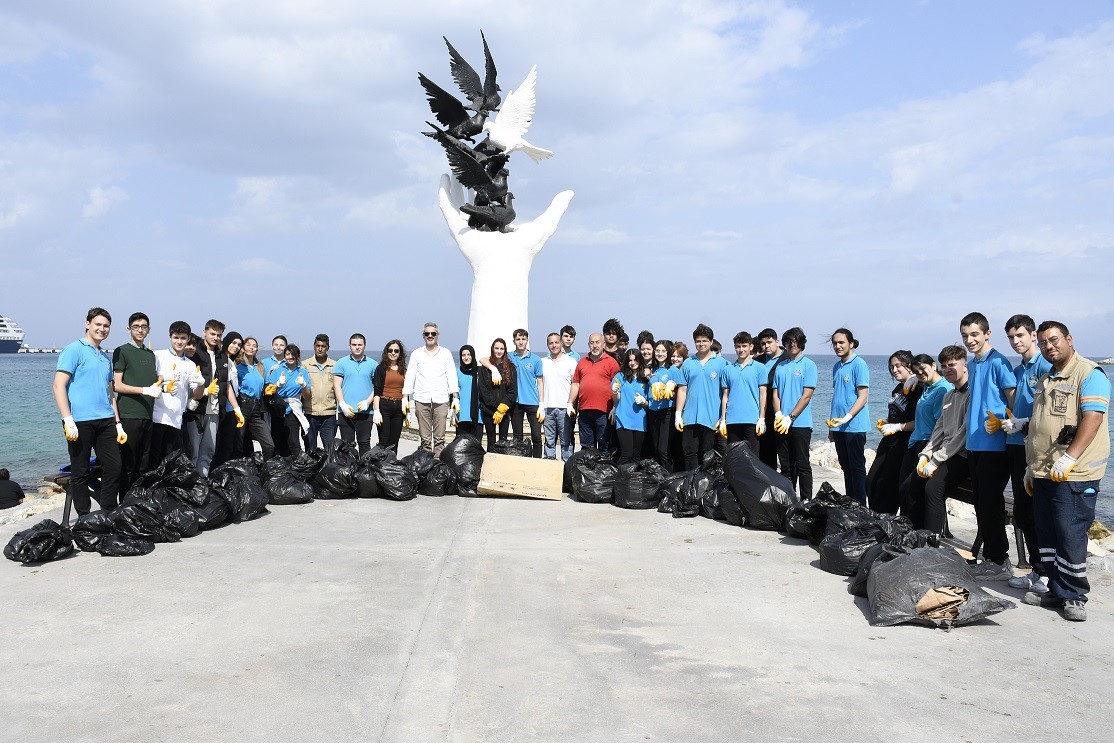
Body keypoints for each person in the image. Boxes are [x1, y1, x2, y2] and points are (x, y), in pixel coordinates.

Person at [1021, 321, 1110, 622]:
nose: (1049, 346)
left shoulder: (1089, 373)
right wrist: (1031, 467)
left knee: (1070, 533)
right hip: (1045, 471)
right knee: (1048, 534)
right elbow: (1039, 427)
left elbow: (1093, 419)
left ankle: (1074, 596)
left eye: (1054, 340)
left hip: (1075, 473)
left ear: (1069, 339)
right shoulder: (1048, 379)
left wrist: (1069, 458)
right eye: (1044, 342)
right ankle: (1056, 589)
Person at [960, 311, 1018, 580]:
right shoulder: (972, 364)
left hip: (994, 446)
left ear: (987, 333)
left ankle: (999, 559)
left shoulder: (999, 362)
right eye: (965, 336)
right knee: (981, 502)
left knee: (991, 503)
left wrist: (1010, 421)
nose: (970, 340)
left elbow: (1013, 397)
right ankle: (991, 557)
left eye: (974, 334)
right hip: (974, 443)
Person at [53, 307, 124, 515]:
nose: (102, 329)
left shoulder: (104, 357)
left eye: (106, 326)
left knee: (114, 467)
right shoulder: (74, 349)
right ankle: (84, 516)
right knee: (80, 471)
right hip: (80, 421)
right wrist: (68, 419)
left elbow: (110, 393)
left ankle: (108, 510)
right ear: (88, 324)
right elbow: (58, 385)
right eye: (98, 324)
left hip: (106, 421)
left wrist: (118, 423)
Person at [1001, 314, 1053, 594]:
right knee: (1022, 510)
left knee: (1037, 511)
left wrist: (1025, 423)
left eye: (1020, 335)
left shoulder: (1045, 365)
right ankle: (1036, 569)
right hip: (1015, 446)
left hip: (1035, 450)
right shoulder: (1019, 369)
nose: (1015, 341)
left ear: (1033, 335)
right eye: (1011, 337)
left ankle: (1047, 573)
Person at [901, 346, 970, 533]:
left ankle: (931, 542)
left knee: (932, 489)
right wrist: (926, 455)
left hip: (962, 455)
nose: (948, 369)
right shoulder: (949, 396)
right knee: (909, 486)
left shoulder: (971, 394)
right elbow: (938, 430)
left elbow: (963, 434)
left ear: (965, 365)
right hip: (943, 453)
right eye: (944, 366)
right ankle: (914, 536)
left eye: (952, 365)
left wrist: (936, 460)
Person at [865, 350, 921, 514]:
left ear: (909, 366)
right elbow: (897, 413)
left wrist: (896, 427)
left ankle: (887, 520)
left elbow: (920, 422)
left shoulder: (918, 388)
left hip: (904, 443)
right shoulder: (898, 388)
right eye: (892, 367)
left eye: (898, 366)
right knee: (871, 481)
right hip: (889, 441)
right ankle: (875, 518)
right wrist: (888, 423)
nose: (894, 370)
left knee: (887, 484)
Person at [896, 353, 952, 516]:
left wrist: (930, 454)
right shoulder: (927, 386)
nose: (921, 373)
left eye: (923, 369)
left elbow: (940, 424)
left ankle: (916, 532)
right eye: (916, 371)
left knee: (911, 490)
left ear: (934, 366)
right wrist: (914, 377)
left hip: (928, 444)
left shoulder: (943, 389)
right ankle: (906, 529)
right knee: (903, 488)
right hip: (915, 442)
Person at [111, 312, 158, 491]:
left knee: (143, 464)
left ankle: (138, 501)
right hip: (129, 415)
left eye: (144, 327)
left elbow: (150, 380)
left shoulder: (150, 354)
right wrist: (144, 390)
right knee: (128, 464)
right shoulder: (122, 351)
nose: (140, 330)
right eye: (136, 326)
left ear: (149, 330)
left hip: (148, 415)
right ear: (129, 328)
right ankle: (124, 502)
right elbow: (117, 385)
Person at [149, 321, 205, 468]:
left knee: (170, 462)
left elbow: (197, 395)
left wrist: (201, 383)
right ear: (170, 337)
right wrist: (163, 387)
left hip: (176, 419)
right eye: (176, 337)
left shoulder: (190, 364)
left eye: (183, 338)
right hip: (157, 417)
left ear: (187, 339)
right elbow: (149, 383)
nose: (179, 341)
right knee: (153, 460)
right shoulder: (157, 356)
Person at [675, 324, 729, 470]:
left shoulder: (722, 363)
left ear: (711, 342)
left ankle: (706, 487)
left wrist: (723, 418)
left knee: (708, 455)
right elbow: (682, 390)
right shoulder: (688, 363)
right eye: (698, 341)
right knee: (689, 453)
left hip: (711, 417)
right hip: (690, 417)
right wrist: (678, 414)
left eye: (704, 341)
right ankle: (691, 486)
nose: (701, 344)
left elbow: (727, 391)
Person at [826, 328, 870, 504]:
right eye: (835, 343)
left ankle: (860, 505)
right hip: (838, 427)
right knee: (846, 467)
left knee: (857, 467)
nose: (837, 346)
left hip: (855, 426)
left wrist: (847, 417)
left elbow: (863, 396)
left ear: (851, 343)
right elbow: (837, 397)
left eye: (841, 342)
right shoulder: (837, 366)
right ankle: (850, 504)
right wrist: (832, 426)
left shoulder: (859, 364)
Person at [771, 327, 816, 499]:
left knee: (802, 464)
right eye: (789, 342)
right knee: (786, 466)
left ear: (802, 343)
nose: (792, 345)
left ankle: (806, 501)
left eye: (796, 342)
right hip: (781, 423)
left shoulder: (808, 365)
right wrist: (779, 414)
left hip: (801, 423)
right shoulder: (781, 366)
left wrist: (791, 417)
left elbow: (807, 395)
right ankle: (788, 499)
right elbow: (775, 393)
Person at [402, 322, 459, 456]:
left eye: (433, 333)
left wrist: (455, 397)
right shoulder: (416, 354)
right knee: (425, 440)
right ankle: (426, 467)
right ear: (423, 336)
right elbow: (410, 375)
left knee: (440, 440)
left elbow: (451, 375)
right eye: (427, 333)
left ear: (438, 335)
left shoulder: (446, 353)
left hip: (441, 400)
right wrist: (405, 397)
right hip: (421, 399)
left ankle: (438, 469)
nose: (430, 336)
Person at [190, 319, 234, 477]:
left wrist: (236, 409)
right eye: (212, 334)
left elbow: (227, 384)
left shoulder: (222, 356)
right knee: (193, 451)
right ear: (204, 332)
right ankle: (190, 485)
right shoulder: (195, 352)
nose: (215, 337)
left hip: (215, 410)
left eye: (219, 335)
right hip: (196, 410)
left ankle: (202, 483)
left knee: (208, 451)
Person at [568, 332, 620, 454]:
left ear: (603, 344)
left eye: (597, 342)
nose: (595, 345)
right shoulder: (582, 362)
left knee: (604, 447)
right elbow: (575, 383)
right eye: (592, 343)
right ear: (588, 345)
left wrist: (615, 406)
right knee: (587, 448)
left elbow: (618, 386)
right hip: (584, 411)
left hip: (604, 412)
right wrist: (570, 403)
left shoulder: (611, 362)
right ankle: (588, 473)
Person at [717, 331, 764, 454]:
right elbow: (725, 396)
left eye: (744, 346)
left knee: (752, 457)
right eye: (738, 346)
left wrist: (762, 418)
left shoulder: (760, 368)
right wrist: (723, 419)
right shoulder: (727, 370)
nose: (741, 349)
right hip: (732, 419)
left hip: (752, 419)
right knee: (734, 456)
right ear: (734, 347)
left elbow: (763, 395)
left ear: (751, 347)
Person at [333, 334, 377, 455]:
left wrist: (368, 402)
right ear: (350, 346)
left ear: (364, 346)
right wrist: (342, 404)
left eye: (360, 345)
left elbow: (377, 387)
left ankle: (363, 472)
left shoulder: (373, 364)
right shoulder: (341, 363)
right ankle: (349, 471)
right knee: (347, 445)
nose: (357, 347)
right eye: (354, 345)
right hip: (346, 411)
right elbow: (337, 385)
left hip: (366, 412)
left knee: (364, 443)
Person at [230, 337, 274, 459]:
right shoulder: (237, 367)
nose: (251, 347)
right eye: (248, 345)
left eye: (254, 345)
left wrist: (268, 389)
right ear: (243, 348)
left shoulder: (260, 366)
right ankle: (238, 473)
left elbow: (262, 385)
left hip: (257, 409)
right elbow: (232, 388)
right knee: (238, 445)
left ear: (257, 349)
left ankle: (264, 471)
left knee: (269, 445)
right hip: (243, 405)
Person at [265, 345, 313, 455]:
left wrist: (304, 385)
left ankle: (298, 466)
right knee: (278, 440)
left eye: (293, 354)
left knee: (293, 442)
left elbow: (307, 396)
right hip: (277, 408)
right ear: (284, 356)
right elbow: (268, 392)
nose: (290, 357)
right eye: (287, 354)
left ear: (298, 356)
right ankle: (282, 468)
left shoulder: (303, 372)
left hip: (292, 409)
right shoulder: (277, 370)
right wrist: (277, 385)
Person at [506, 329, 544, 457]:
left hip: (532, 402)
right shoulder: (509, 357)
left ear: (527, 340)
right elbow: (487, 359)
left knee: (537, 436)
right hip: (516, 403)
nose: (520, 342)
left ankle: (537, 461)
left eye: (523, 339)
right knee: (517, 436)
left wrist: (542, 404)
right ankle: (520, 462)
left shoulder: (536, 360)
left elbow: (540, 382)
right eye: (518, 339)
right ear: (514, 341)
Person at [540, 333, 577, 460]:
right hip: (548, 408)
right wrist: (541, 405)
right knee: (549, 442)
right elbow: (539, 384)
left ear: (561, 343)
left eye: (556, 342)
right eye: (551, 343)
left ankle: (567, 472)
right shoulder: (542, 362)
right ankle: (550, 470)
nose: (554, 345)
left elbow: (575, 384)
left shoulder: (571, 362)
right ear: (547, 345)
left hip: (564, 408)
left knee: (566, 442)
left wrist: (571, 404)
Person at [211, 332, 245, 467]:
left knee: (230, 444)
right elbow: (226, 385)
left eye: (239, 345)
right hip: (225, 408)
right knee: (224, 445)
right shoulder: (222, 359)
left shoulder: (230, 361)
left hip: (232, 409)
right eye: (233, 343)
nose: (236, 347)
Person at [754, 328, 786, 471]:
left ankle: (789, 489)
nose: (766, 346)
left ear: (777, 342)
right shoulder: (757, 361)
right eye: (763, 343)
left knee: (786, 456)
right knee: (764, 454)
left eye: (769, 342)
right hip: (761, 413)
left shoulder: (786, 359)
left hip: (781, 412)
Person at [476, 338, 516, 449]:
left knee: (503, 441)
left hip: (504, 411)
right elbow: (483, 390)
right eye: (496, 348)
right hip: (488, 410)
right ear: (492, 349)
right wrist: (494, 405)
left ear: (505, 350)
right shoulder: (484, 368)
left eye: (502, 349)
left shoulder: (511, 368)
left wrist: (502, 408)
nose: (499, 351)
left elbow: (513, 390)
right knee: (491, 441)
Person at [612, 349, 650, 464]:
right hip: (624, 419)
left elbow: (650, 404)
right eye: (630, 360)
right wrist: (614, 392)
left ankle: (633, 481)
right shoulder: (620, 376)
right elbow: (616, 399)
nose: (632, 363)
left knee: (636, 456)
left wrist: (644, 401)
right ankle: (617, 480)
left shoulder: (645, 378)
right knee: (626, 454)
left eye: (635, 360)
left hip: (639, 421)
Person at [646, 339, 680, 469]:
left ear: (668, 352)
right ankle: (658, 478)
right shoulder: (652, 370)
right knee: (654, 449)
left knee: (663, 449)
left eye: (663, 351)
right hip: (653, 412)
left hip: (667, 412)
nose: (660, 353)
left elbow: (681, 392)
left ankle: (669, 478)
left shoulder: (672, 370)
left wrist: (671, 389)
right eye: (657, 351)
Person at [302, 334, 338, 455]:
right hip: (309, 413)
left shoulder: (335, 365)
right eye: (318, 345)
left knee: (329, 450)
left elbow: (339, 388)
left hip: (329, 414)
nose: (320, 348)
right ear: (314, 346)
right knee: (310, 450)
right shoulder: (305, 365)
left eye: (323, 346)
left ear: (328, 347)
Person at [373, 339, 407, 452]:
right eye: (390, 350)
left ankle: (391, 467)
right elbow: (377, 391)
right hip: (384, 406)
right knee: (384, 441)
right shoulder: (381, 369)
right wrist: (376, 411)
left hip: (399, 408)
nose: (393, 353)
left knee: (394, 443)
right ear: (386, 352)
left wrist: (408, 412)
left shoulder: (404, 370)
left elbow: (406, 392)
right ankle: (382, 466)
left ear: (400, 353)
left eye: (396, 351)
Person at [261, 335, 287, 454]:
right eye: (276, 345)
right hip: (270, 404)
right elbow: (261, 382)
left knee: (284, 436)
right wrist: (270, 372)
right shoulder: (264, 362)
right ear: (272, 346)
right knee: (270, 435)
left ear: (285, 347)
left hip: (286, 405)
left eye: (281, 345)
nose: (278, 347)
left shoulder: (289, 361)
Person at [454, 345, 483, 439]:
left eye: (469, 354)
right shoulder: (457, 372)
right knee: (461, 448)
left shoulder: (480, 371)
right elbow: (453, 393)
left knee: (475, 448)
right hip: (462, 416)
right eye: (463, 355)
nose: (466, 357)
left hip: (478, 416)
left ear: (473, 355)